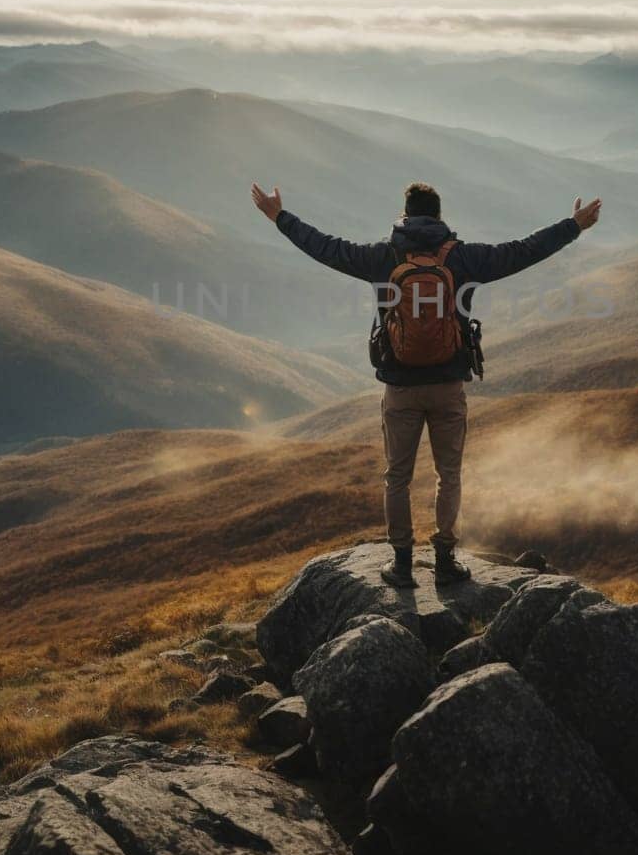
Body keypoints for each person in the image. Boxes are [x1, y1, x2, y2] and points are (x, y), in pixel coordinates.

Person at [250, 179, 601, 589]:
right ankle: (445, 560)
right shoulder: (462, 258)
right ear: (437, 216)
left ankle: (400, 564)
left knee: (397, 476)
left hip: (399, 386)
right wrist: (573, 226)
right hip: (448, 385)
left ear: (404, 214)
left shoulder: (383, 257)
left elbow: (326, 247)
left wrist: (280, 218)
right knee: (448, 474)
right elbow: (522, 251)